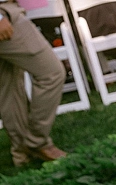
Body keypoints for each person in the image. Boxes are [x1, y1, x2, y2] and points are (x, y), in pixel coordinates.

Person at [0, 0, 67, 167]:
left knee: (10, 86)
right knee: (52, 73)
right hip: (4, 13)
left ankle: (21, 154)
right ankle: (36, 142)